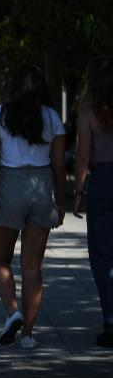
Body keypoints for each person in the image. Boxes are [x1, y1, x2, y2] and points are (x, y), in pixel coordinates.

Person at [0, 65, 65, 350]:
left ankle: (12, 311)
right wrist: (60, 201)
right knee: (32, 267)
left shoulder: (0, 113)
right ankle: (28, 334)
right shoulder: (52, 117)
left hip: (9, 187)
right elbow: (58, 165)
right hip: (41, 188)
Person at [75, 56, 113, 348]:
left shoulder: (89, 111)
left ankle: (110, 320)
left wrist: (79, 192)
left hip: (103, 180)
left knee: (102, 253)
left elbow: (84, 156)